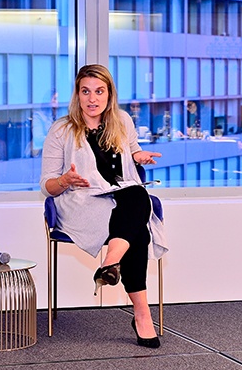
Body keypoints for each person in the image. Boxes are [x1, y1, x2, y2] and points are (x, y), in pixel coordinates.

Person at [40, 64, 168, 348]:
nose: (92, 98)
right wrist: (65, 180)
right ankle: (141, 314)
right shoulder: (61, 130)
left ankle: (110, 263)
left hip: (123, 198)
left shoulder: (122, 121)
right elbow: (47, 186)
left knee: (135, 196)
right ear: (77, 94)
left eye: (99, 91)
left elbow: (132, 151)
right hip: (82, 201)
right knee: (136, 225)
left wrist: (139, 156)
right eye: (85, 91)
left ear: (110, 94)